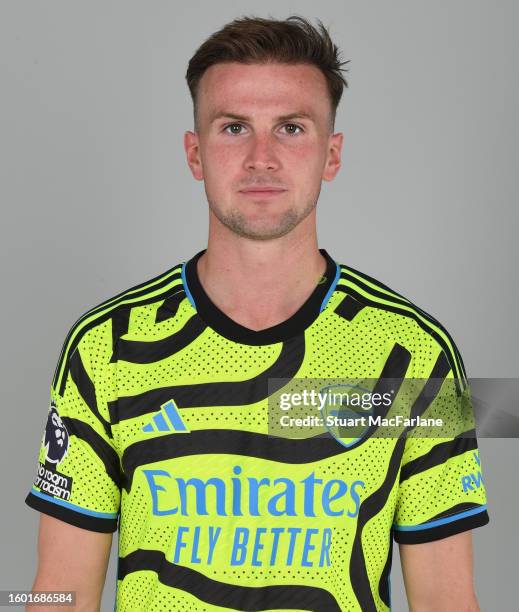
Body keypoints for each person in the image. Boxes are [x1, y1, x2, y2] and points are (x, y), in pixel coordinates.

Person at [25, 15, 489, 612]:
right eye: (234, 127)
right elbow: (57, 596)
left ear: (331, 153)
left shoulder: (416, 355)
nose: (261, 157)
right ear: (195, 153)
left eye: (292, 128)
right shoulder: (105, 346)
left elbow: (449, 601)